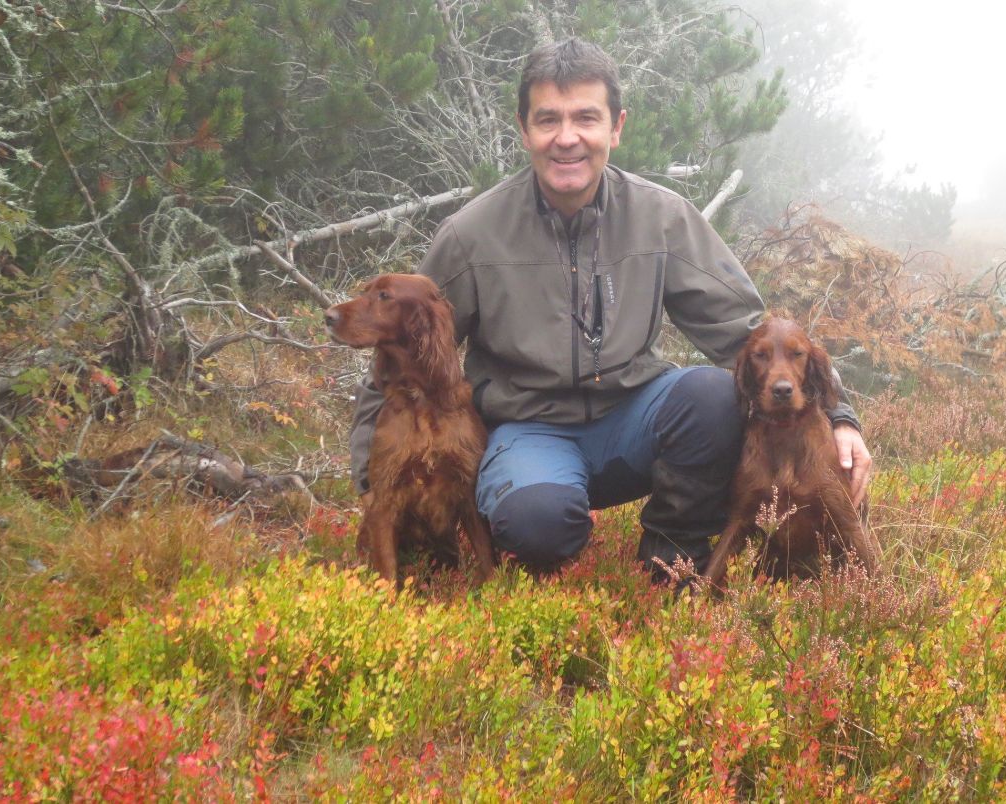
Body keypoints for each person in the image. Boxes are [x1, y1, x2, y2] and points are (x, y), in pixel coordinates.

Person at [348, 37, 871, 580]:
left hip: (633, 421)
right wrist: (373, 479)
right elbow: (400, 355)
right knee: (537, 522)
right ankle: (540, 522)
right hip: (529, 429)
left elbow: (751, 336)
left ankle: (672, 555)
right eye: (548, 119)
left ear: (616, 126)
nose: (567, 138)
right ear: (523, 128)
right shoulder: (471, 234)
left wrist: (840, 417)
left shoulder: (662, 217)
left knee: (712, 394)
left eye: (586, 118)